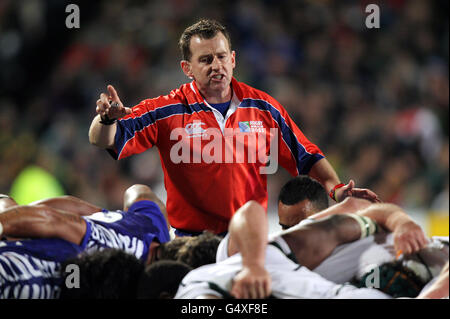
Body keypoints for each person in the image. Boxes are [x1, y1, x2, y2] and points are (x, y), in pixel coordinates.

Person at [88, 18, 380, 236]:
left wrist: (337, 189)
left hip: (248, 240)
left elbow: (308, 156)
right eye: (205, 60)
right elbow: (103, 139)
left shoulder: (264, 108)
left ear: (233, 59)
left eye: (221, 56)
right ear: (186, 68)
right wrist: (106, 119)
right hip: (190, 242)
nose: (216, 65)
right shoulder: (167, 109)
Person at [172, 200, 430, 299]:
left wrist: (402, 223)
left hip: (428, 260)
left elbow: (355, 206)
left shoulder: (282, 248)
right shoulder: (290, 268)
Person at [0, 185, 219, 298]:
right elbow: (55, 222)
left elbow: (139, 191)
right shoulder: (112, 257)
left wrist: (98, 215)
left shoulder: (153, 224)